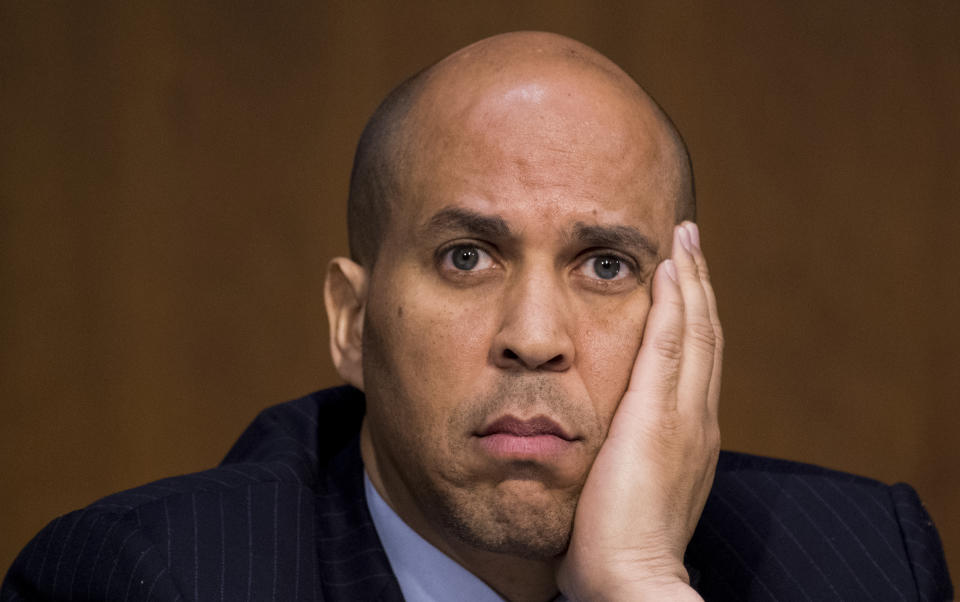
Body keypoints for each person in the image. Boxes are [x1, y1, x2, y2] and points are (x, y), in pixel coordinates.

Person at [2, 31, 951, 602]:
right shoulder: (156, 580)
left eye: (606, 265)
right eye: (467, 257)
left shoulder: (861, 566)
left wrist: (639, 583)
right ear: (351, 321)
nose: (534, 336)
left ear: (688, 320)